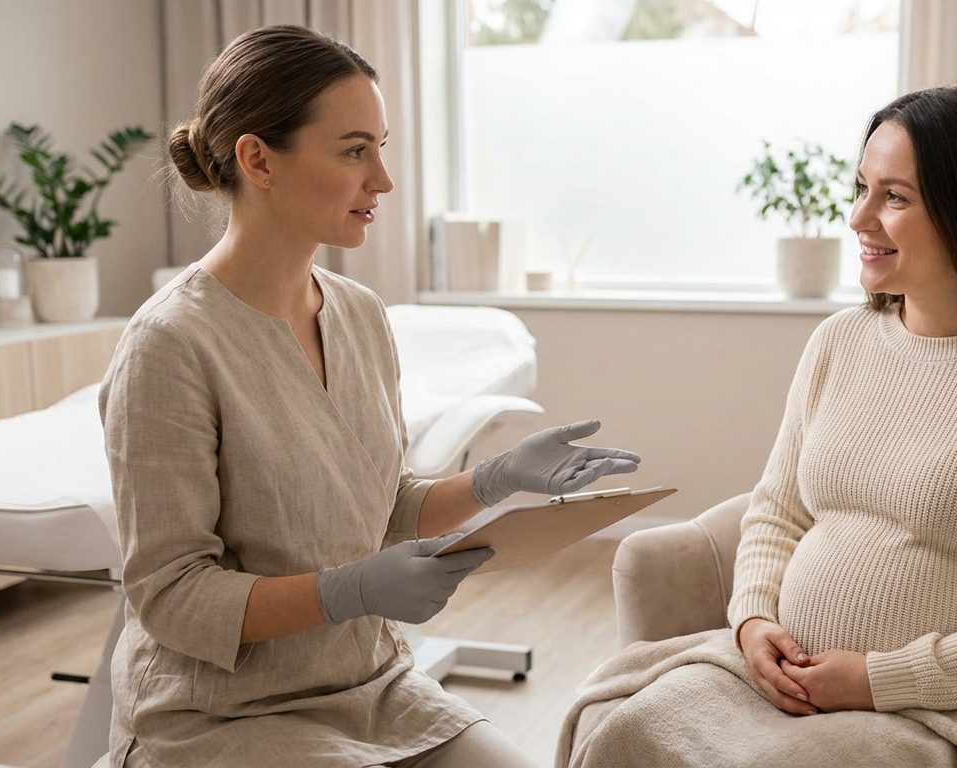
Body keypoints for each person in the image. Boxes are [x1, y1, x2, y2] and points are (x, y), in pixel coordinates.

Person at [100, 25, 638, 768]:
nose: (382, 179)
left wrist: (497, 478)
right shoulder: (171, 347)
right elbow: (174, 598)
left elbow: (378, 507)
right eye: (355, 150)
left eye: (381, 148)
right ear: (258, 159)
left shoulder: (358, 313)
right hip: (218, 714)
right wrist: (347, 591)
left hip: (373, 686)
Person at [559, 83, 957, 768]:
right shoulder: (840, 342)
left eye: (894, 197)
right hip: (782, 686)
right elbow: (776, 512)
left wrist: (878, 680)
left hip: (949, 713)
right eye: (861, 187)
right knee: (625, 731)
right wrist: (755, 622)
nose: (859, 217)